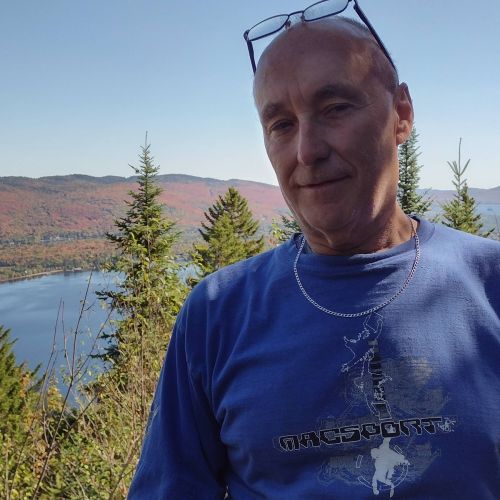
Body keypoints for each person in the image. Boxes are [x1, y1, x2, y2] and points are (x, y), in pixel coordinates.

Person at [129, 3, 500, 499]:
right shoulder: (216, 315)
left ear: (402, 115)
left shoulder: (490, 283)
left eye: (335, 108)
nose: (307, 151)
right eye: (281, 124)